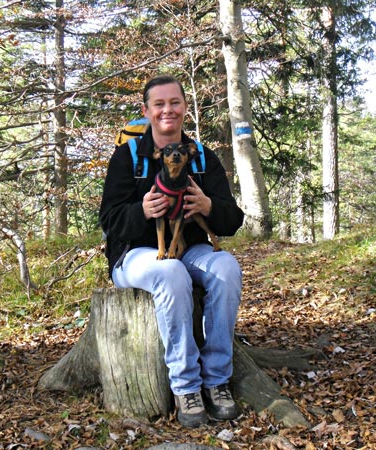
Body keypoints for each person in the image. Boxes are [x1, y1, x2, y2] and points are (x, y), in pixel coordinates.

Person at [99, 74, 244, 427]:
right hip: (134, 256)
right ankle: (186, 386)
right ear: (147, 111)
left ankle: (217, 379)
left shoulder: (200, 158)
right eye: (159, 104)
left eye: (175, 103)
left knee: (226, 268)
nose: (168, 110)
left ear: (184, 108)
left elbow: (232, 219)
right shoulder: (127, 158)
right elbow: (109, 219)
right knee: (170, 272)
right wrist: (142, 211)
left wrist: (209, 206)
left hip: (191, 249)